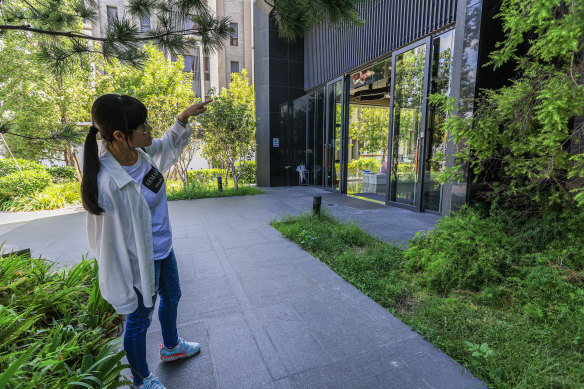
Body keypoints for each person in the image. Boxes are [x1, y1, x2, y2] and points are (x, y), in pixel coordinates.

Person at [82, 94, 212, 389]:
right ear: (119, 135)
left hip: (163, 249)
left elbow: (165, 146)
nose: (149, 129)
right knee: (139, 320)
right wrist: (123, 285)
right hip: (138, 262)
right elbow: (108, 245)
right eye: (142, 126)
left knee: (172, 295)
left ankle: (171, 347)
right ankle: (140, 379)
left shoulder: (139, 154)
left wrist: (182, 118)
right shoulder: (107, 184)